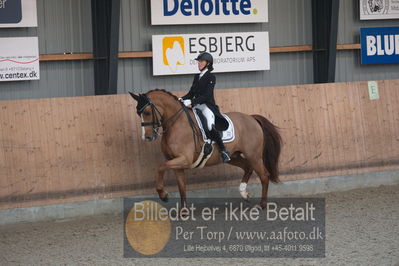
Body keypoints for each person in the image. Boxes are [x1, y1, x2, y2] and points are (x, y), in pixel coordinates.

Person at [178, 52, 231, 163]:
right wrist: (181, 100)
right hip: (196, 106)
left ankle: (223, 150)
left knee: (210, 126)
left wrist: (191, 101)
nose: (199, 63)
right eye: (199, 61)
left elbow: (207, 95)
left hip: (207, 106)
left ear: (208, 63)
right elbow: (191, 93)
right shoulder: (197, 76)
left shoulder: (211, 77)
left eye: (201, 61)